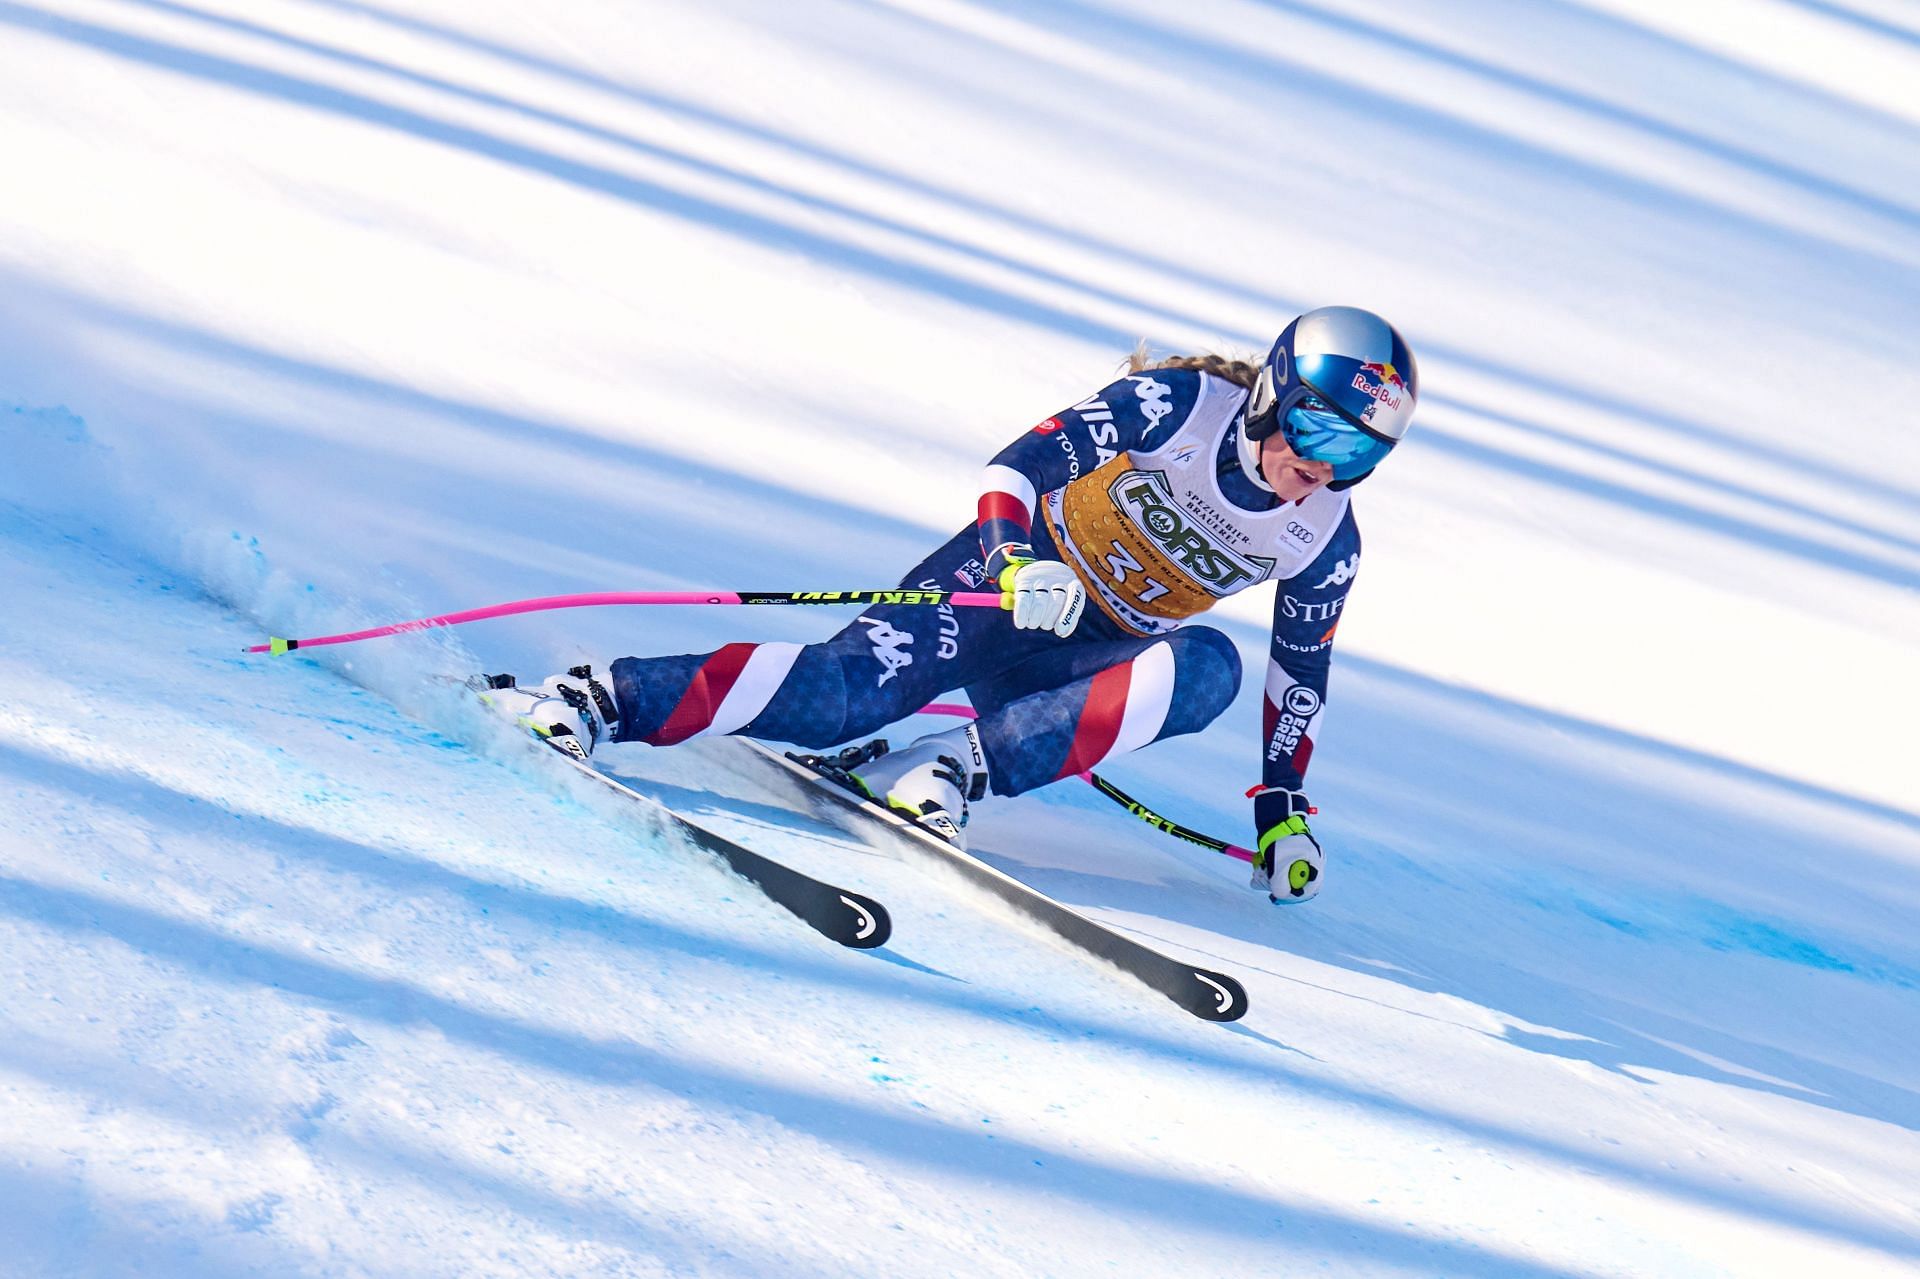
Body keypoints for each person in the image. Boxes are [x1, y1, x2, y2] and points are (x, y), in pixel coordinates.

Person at [485, 306, 1418, 904]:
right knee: (841, 700)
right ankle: (594, 696)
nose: (1325, 465)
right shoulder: (1179, 406)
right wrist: (1014, 560)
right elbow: (1018, 464)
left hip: (1075, 662)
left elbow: (1302, 672)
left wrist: (1281, 805)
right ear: (1271, 393)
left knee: (1210, 665)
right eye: (1316, 427)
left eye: (1360, 453)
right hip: (995, 589)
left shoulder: (1323, 536)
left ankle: (946, 768)